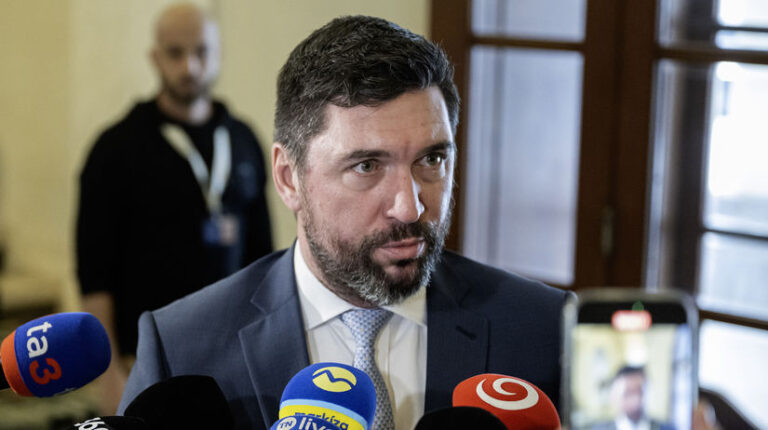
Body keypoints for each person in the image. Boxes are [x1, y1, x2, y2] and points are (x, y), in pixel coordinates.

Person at [118, 15, 568, 429]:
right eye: (367, 166)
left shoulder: (545, 330)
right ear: (288, 178)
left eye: (432, 159)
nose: (409, 208)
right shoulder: (182, 348)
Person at [77, 3, 272, 413]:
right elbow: (94, 278)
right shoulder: (115, 148)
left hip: (233, 364)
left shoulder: (243, 141)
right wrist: (108, 378)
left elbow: (264, 264)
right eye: (175, 53)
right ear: (155, 57)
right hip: (143, 364)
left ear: (218, 53)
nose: (190, 67)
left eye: (201, 51)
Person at [592, 366, 675, 430]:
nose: (635, 400)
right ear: (614, 396)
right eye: (628, 393)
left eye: (640, 392)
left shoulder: (666, 428)